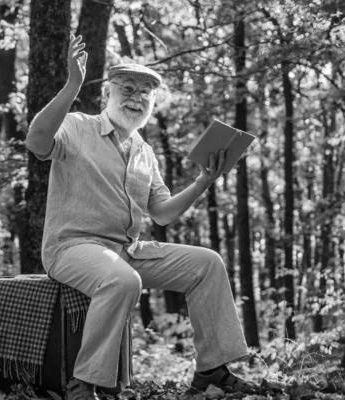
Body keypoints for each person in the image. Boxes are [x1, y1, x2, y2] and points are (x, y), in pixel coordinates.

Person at [25, 34, 258, 400]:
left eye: (145, 94)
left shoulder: (144, 151)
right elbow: (37, 142)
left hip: (128, 251)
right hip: (71, 248)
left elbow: (162, 213)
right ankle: (84, 383)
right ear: (108, 95)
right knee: (123, 281)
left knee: (207, 263)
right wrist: (73, 83)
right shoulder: (77, 125)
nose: (136, 98)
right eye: (127, 89)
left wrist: (202, 181)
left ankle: (211, 369)